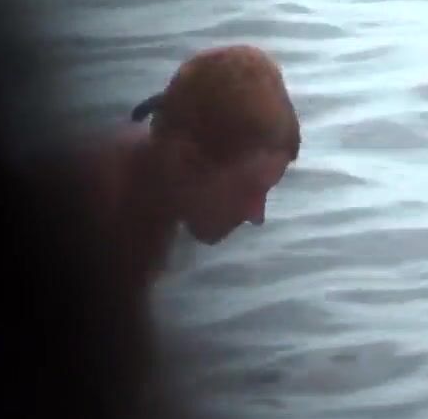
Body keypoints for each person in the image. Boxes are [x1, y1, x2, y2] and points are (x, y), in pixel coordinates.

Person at [67, 43, 302, 293]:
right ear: (186, 159)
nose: (257, 215)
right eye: (248, 190)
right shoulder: (87, 225)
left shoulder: (148, 188)